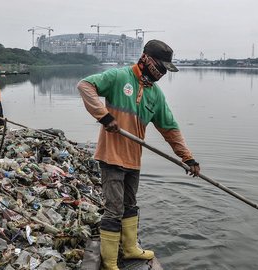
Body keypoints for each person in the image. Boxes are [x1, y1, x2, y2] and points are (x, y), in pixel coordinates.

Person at [77, 40, 200, 270]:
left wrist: (188, 158)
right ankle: (110, 261)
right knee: (114, 209)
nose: (162, 73)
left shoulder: (155, 95)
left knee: (130, 205)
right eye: (160, 67)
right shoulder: (118, 77)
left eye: (165, 69)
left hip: (133, 158)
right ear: (146, 59)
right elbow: (85, 86)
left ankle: (131, 247)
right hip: (111, 156)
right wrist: (104, 116)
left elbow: (170, 129)